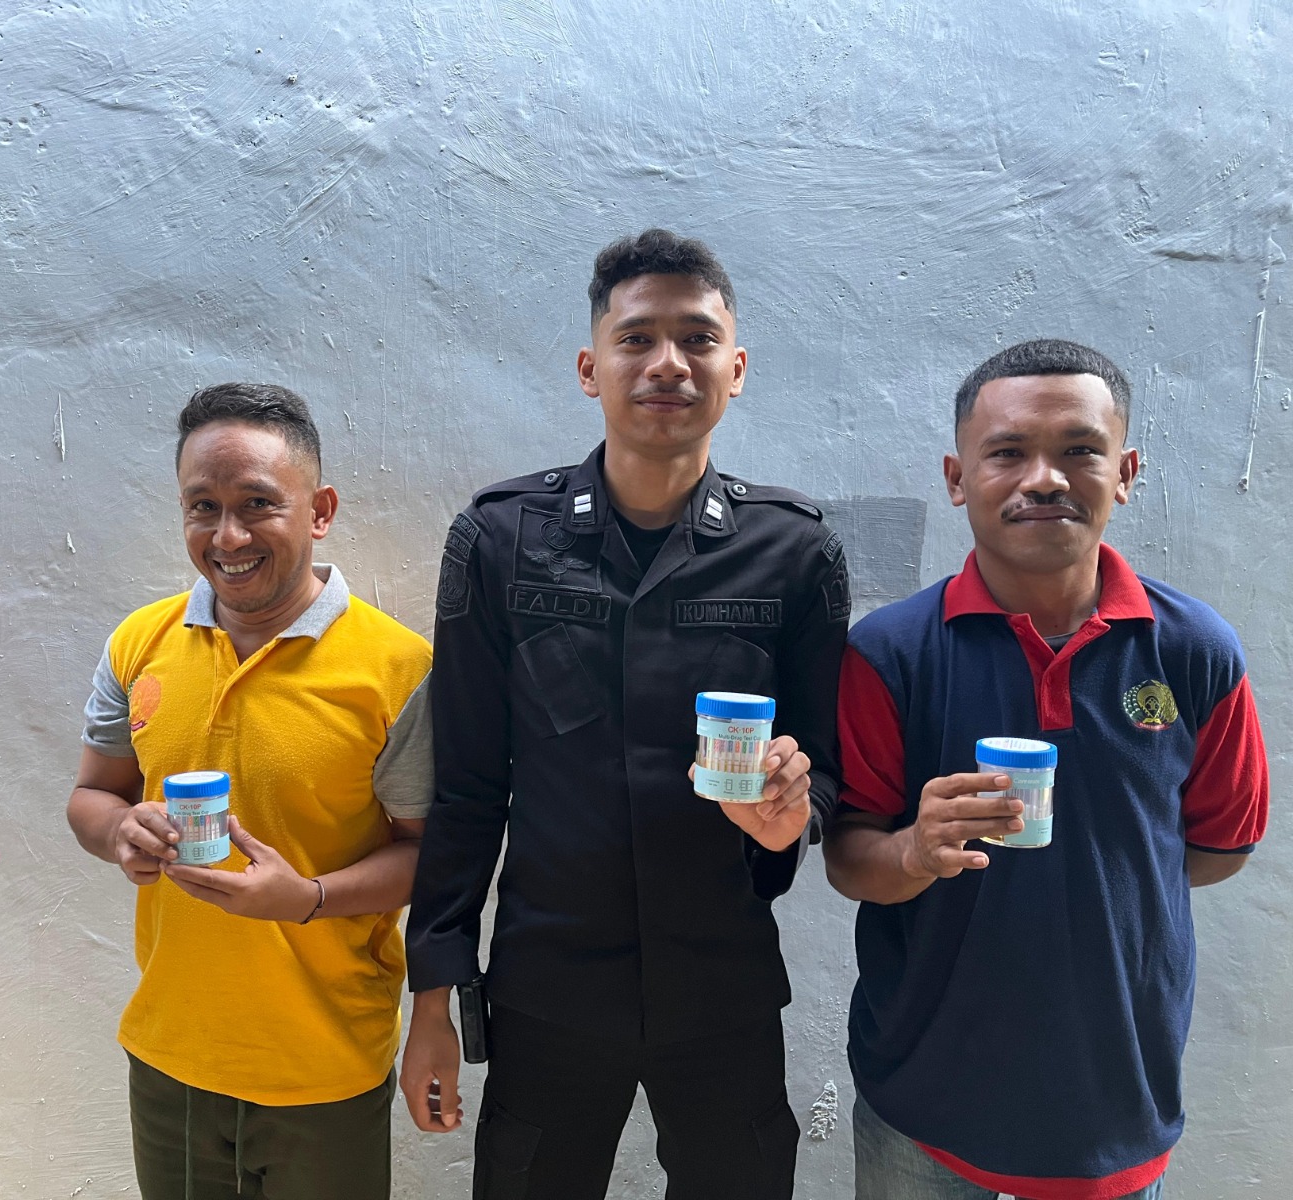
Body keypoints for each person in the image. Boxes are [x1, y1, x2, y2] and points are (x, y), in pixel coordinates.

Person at [403, 229, 849, 1199]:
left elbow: (824, 771)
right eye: (637, 337)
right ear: (589, 368)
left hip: (723, 985)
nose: (667, 363)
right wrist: (434, 990)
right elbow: (467, 787)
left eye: (697, 339)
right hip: (548, 988)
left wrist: (792, 816)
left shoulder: (795, 553)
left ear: (735, 369)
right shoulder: (499, 540)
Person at [824, 340, 1270, 1200]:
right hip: (921, 1100)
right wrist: (914, 851)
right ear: (958, 478)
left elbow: (1220, 849)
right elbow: (849, 860)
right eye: (1007, 452)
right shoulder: (889, 654)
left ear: (1125, 473)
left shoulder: (1194, 651)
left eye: (1079, 450)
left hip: (1113, 1103)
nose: (1044, 478)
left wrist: (1104, 873)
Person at [65, 383, 432, 1200]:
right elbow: (92, 796)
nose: (227, 536)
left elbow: (429, 853)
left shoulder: (397, 669)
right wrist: (120, 832)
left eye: (258, 504)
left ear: (320, 510)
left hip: (325, 1065)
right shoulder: (138, 643)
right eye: (203, 507)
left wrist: (307, 899)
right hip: (171, 1056)